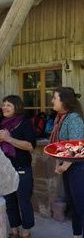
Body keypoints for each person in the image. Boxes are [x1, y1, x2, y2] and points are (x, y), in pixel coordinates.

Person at [50, 87, 84, 238]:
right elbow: (60, 145)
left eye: (54, 98)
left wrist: (64, 166)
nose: (52, 101)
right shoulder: (61, 118)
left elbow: (76, 146)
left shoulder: (74, 118)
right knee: (73, 204)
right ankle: (76, 235)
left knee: (83, 207)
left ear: (64, 101)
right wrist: (58, 164)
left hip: (80, 167)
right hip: (68, 166)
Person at [0, 95, 36, 238]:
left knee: (24, 202)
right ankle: (14, 231)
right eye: (3, 104)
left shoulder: (24, 123)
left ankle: (26, 232)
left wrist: (8, 138)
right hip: (5, 170)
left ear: (17, 107)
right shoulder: (2, 123)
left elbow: (30, 146)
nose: (4, 107)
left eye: (8, 105)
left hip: (22, 168)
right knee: (10, 202)